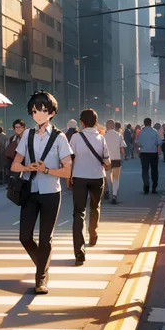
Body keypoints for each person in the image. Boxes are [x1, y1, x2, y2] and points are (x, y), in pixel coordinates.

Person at [10, 91, 72, 294]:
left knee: (46, 238)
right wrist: (28, 168)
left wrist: (46, 169)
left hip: (51, 192)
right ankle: (43, 265)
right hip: (30, 191)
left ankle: (41, 278)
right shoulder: (27, 135)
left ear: (52, 112)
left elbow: (67, 170)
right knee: (24, 236)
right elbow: (15, 165)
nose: (38, 114)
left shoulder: (60, 137)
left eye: (43, 110)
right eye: (35, 110)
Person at [69, 109, 110, 266]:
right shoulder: (101, 138)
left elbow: (70, 158)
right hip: (97, 178)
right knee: (95, 206)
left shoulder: (75, 137)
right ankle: (93, 234)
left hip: (79, 177)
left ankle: (79, 252)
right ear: (96, 122)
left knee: (78, 213)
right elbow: (107, 161)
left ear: (82, 123)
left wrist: (68, 177)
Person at [103, 119, 126, 204]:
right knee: (116, 178)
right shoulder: (119, 135)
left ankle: (109, 191)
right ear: (114, 126)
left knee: (108, 178)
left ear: (106, 126)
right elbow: (122, 149)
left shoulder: (103, 137)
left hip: (107, 160)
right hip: (117, 159)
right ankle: (114, 195)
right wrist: (123, 155)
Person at [137, 117, 162, 194]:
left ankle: (146, 185)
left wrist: (139, 151)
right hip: (153, 153)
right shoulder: (155, 132)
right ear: (151, 123)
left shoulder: (141, 132)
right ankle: (154, 187)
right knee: (154, 170)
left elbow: (139, 144)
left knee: (145, 170)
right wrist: (159, 151)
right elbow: (159, 143)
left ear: (144, 123)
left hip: (144, 153)